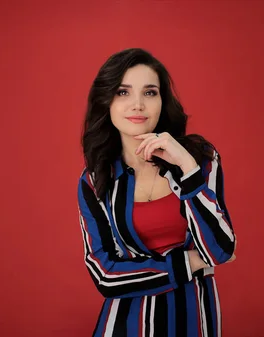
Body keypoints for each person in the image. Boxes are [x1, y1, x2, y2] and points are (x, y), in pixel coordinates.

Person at [77, 48, 237, 337]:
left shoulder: (201, 159)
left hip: (194, 321)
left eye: (149, 93)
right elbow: (105, 276)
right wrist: (190, 263)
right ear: (106, 102)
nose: (137, 105)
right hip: (124, 325)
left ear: (162, 101)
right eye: (123, 93)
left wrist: (187, 169)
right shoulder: (95, 180)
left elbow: (220, 248)